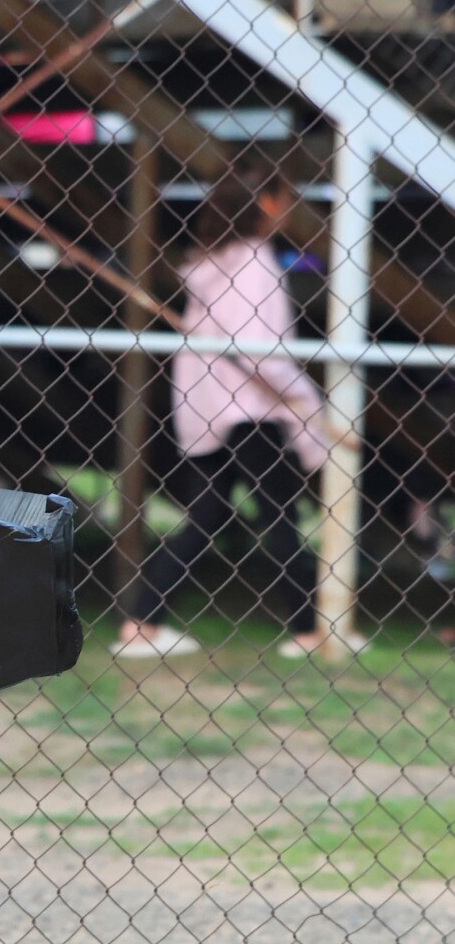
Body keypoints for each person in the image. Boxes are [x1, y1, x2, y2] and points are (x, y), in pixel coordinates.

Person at [113, 168, 361, 660]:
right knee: (280, 517)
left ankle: (141, 624)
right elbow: (263, 352)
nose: (289, 210)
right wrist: (307, 403)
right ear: (266, 204)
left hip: (209, 407)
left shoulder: (212, 263)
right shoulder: (254, 261)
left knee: (207, 516)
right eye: (285, 199)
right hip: (251, 408)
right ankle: (311, 631)